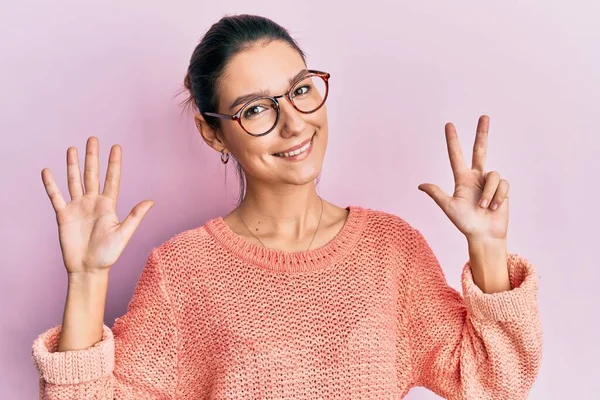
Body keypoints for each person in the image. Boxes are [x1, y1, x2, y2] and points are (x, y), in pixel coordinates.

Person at [32, 14, 542, 400]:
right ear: (212, 133)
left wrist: (488, 246)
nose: (294, 123)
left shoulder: (392, 251)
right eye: (256, 108)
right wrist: (87, 278)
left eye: (301, 90)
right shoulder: (182, 272)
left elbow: (495, 382)